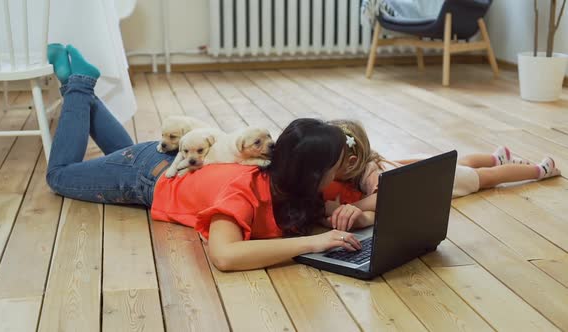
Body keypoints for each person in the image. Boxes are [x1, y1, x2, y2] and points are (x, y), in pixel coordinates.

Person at [45, 44, 363, 272]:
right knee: (58, 175)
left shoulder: (297, 184)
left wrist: (357, 216)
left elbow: (367, 203)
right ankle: (79, 84)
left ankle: (82, 91)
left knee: (121, 153)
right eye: (335, 167)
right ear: (315, 173)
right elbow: (224, 256)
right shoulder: (245, 189)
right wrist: (314, 242)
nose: (338, 174)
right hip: (145, 175)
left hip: (166, 163)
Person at [323, 119, 562, 231]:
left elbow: (383, 196)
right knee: (464, 162)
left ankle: (540, 170)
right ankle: (498, 155)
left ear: (351, 163)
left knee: (488, 177)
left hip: (437, 183)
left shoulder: (369, 174)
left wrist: (352, 204)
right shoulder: (359, 166)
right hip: (423, 170)